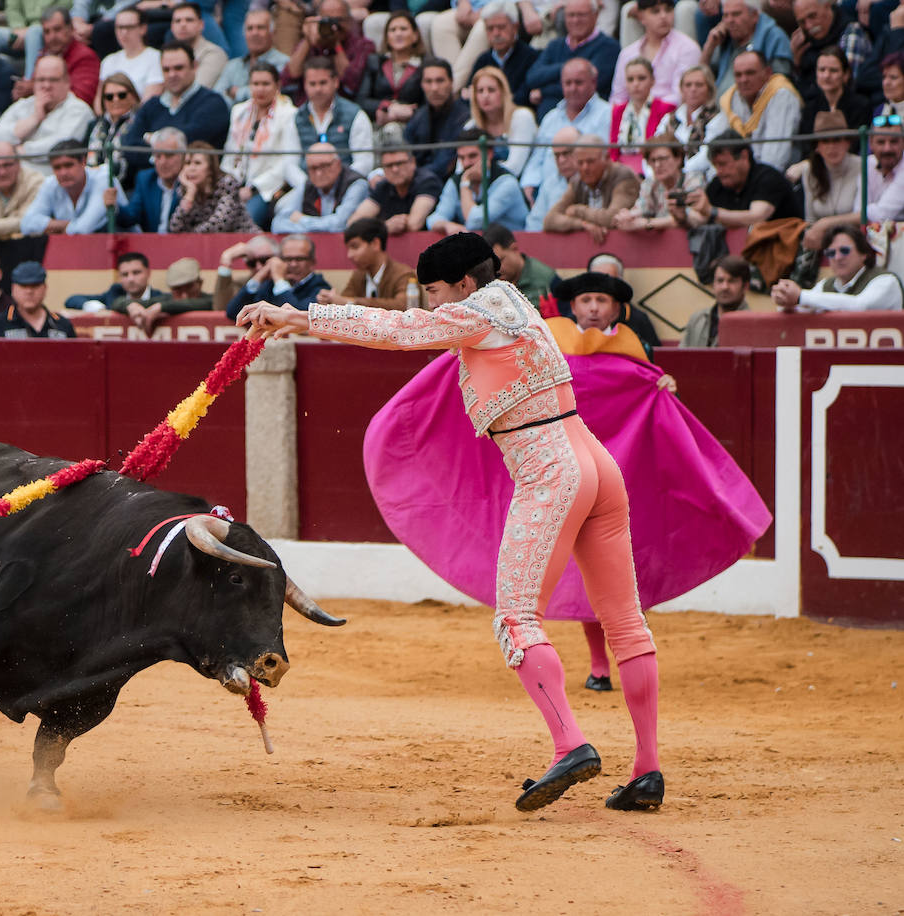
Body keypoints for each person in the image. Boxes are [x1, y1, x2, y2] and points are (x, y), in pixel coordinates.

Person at [239, 232, 666, 813]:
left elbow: (396, 331)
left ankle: (570, 743)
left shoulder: (477, 311)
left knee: (516, 619)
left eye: (436, 291)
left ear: (465, 283)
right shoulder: (515, 302)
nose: (433, 304)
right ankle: (647, 769)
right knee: (625, 620)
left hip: (552, 469)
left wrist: (296, 315)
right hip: (595, 461)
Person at [121, 43, 231, 178]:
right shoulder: (152, 105)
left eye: (179, 68)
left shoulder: (213, 104)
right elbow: (130, 146)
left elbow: (188, 139)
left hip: (198, 188)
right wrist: (165, 155)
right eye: (166, 70)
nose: (172, 74)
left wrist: (152, 139)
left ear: (194, 66)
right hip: (151, 186)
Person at [519, 58, 612, 205]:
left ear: (593, 83)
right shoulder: (551, 118)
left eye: (579, 82)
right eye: (568, 83)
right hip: (547, 197)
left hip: (591, 196)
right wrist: (528, 185)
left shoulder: (608, 114)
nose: (573, 88)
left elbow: (609, 160)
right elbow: (536, 159)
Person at [221, 62, 301, 229]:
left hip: (266, 187)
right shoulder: (239, 111)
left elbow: (287, 161)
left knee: (245, 220)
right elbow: (230, 152)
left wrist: (254, 188)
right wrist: (226, 183)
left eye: (266, 84)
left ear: (277, 85)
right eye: (256, 84)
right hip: (234, 183)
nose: (260, 89)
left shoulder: (289, 114)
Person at [0, 55, 95, 177]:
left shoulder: (78, 110)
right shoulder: (23, 105)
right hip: (12, 182)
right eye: (41, 80)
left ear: (67, 82)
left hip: (51, 182)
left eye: (53, 80)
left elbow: (59, 148)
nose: (46, 85)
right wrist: (34, 119)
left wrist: (19, 151)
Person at [676, 129, 802, 227]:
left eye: (723, 164)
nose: (719, 171)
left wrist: (712, 212)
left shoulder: (768, 178)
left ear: (743, 156)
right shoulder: (719, 183)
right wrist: (682, 217)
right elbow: (701, 218)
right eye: (715, 166)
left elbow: (756, 217)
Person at [771, 225, 904, 312]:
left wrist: (800, 296)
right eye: (831, 253)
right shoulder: (825, 285)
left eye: (845, 251)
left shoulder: (885, 280)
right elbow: (801, 307)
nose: (838, 257)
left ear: (864, 253)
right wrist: (785, 299)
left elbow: (860, 306)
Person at [524, 0, 621, 119]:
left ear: (595, 16)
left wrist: (543, 92)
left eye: (581, 15)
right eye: (571, 15)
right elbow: (532, 77)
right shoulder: (555, 46)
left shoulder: (609, 47)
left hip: (589, 122)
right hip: (549, 123)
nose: (575, 20)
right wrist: (569, 67)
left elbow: (589, 87)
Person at [427, 127, 529, 233]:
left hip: (514, 246)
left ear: (489, 154)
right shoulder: (455, 180)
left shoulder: (507, 182)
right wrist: (446, 225)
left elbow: (475, 222)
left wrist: (465, 183)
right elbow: (433, 219)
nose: (466, 163)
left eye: (472, 156)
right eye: (462, 158)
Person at [543, 137, 641, 243]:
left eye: (590, 161)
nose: (585, 168)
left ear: (607, 158)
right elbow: (549, 220)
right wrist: (583, 224)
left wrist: (578, 210)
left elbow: (612, 218)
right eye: (580, 163)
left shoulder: (623, 176)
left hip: (628, 244)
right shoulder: (577, 181)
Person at [553, 268, 667, 358]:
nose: (594, 308)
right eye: (586, 300)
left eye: (601, 300)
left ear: (615, 308)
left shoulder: (635, 347)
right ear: (573, 307)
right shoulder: (554, 345)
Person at [293, 56, 374, 177]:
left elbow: (364, 162)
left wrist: (339, 183)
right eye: (312, 84)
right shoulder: (296, 117)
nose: (318, 89)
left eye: (323, 82)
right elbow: (290, 164)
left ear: (335, 82)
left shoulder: (355, 115)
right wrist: (310, 186)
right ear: (305, 85)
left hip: (348, 184)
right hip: (307, 186)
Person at [795, 110, 862, 253]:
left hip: (855, 244)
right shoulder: (809, 171)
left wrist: (825, 224)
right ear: (817, 147)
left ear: (847, 143)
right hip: (823, 247)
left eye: (837, 140)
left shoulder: (862, 167)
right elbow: (810, 219)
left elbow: (863, 216)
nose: (832, 147)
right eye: (825, 141)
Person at [612, 0, 701, 107]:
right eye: (655, 11)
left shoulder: (688, 48)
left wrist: (646, 111)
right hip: (633, 118)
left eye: (668, 10)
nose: (663, 16)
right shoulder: (627, 54)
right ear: (641, 17)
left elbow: (681, 96)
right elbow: (618, 99)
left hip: (671, 118)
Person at [281, 0, 374, 102]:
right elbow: (289, 77)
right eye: (327, 20)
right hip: (307, 107)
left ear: (349, 20)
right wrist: (307, 40)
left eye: (338, 20)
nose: (334, 26)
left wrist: (335, 44)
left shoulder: (362, 45)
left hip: (342, 108)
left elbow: (351, 84)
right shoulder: (310, 43)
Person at [315, 216, 415, 310]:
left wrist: (351, 303)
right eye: (348, 249)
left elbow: (404, 306)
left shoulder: (403, 274)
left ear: (375, 244)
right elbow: (344, 301)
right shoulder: (358, 275)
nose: (349, 255)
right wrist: (330, 302)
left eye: (355, 247)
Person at [20, 140, 118, 235]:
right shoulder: (50, 183)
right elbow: (26, 224)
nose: (63, 173)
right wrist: (65, 225)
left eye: (68, 165)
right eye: (57, 167)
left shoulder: (103, 178)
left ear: (83, 162)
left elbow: (83, 229)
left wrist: (53, 228)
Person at [355, 10, 425, 143]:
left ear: (415, 35)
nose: (398, 33)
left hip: (412, 127)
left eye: (403, 29)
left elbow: (428, 104)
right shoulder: (375, 62)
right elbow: (361, 100)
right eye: (393, 30)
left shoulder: (424, 66)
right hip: (378, 124)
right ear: (387, 37)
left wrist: (408, 113)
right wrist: (388, 107)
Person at [223, 233, 331, 318]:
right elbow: (233, 312)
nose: (293, 264)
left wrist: (279, 280)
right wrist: (259, 276)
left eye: (299, 259)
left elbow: (296, 315)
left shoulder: (320, 287)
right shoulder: (269, 285)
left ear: (312, 263)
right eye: (287, 259)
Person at [271, 140, 368, 233]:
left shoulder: (356, 184)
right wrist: (319, 227)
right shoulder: (307, 185)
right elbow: (278, 224)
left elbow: (339, 225)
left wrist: (302, 220)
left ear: (338, 163)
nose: (318, 173)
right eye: (313, 168)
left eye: (324, 166)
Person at [613, 132, 703, 231]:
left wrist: (647, 224)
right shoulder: (650, 183)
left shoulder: (693, 179)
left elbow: (696, 218)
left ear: (678, 159)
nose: (657, 165)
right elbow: (640, 210)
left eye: (663, 159)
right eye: (653, 160)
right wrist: (627, 216)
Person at [701, 0, 793, 93]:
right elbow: (700, 80)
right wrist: (709, 46)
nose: (730, 21)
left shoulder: (774, 37)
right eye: (725, 15)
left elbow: (781, 83)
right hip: (721, 104)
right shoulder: (724, 38)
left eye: (736, 14)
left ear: (754, 15)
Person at [403, 58, 470, 182]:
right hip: (414, 181)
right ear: (422, 85)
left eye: (440, 81)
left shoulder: (464, 117)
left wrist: (409, 175)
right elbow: (404, 153)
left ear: (451, 82)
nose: (434, 88)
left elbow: (444, 165)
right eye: (428, 81)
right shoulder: (418, 117)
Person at [653, 63, 726, 177]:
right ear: (681, 89)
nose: (693, 89)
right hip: (666, 177)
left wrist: (678, 171)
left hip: (701, 177)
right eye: (688, 85)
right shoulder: (670, 118)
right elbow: (654, 147)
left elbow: (706, 156)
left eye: (699, 85)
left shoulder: (717, 118)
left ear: (709, 89)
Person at [788, 0, 872, 99]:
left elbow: (844, 87)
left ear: (827, 6)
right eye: (802, 22)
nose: (809, 26)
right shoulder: (802, 44)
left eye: (812, 16)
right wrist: (796, 64)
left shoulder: (851, 33)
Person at [168, 142, 258, 233]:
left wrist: (190, 235)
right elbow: (175, 227)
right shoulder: (186, 190)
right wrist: (190, 195)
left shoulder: (227, 184)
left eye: (197, 163)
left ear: (210, 168)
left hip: (243, 240)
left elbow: (220, 223)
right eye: (187, 163)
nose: (191, 168)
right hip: (204, 243)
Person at [349, 145, 440, 234]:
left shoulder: (427, 181)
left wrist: (376, 229)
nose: (395, 169)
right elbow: (353, 224)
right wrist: (384, 227)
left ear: (412, 162)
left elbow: (414, 224)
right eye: (389, 165)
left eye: (399, 163)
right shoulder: (383, 186)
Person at [465, 65, 536, 176]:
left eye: (491, 90)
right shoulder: (471, 126)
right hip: (479, 186)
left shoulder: (522, 117)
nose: (485, 95)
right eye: (480, 91)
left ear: (503, 92)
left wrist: (479, 173)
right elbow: (461, 169)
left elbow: (515, 167)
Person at [467, 1, 540, 110]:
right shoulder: (483, 60)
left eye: (501, 27)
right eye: (490, 28)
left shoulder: (531, 57)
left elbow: (523, 97)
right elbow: (468, 94)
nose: (496, 33)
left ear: (515, 27)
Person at [611, 57, 678, 174]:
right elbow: (613, 149)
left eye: (641, 78)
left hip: (652, 167)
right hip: (620, 170)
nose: (635, 84)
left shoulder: (666, 108)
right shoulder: (617, 110)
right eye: (630, 80)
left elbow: (663, 147)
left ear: (652, 80)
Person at [796, 45, 872, 145]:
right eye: (822, 70)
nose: (826, 76)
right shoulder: (809, 108)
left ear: (846, 74)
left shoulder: (861, 105)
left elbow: (858, 144)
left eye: (833, 70)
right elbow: (806, 145)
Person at [213, 8, 290, 105]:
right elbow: (216, 97)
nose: (254, 33)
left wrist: (236, 93)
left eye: (260, 27)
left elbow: (274, 93)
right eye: (250, 28)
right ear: (244, 34)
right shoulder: (233, 65)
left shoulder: (284, 62)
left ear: (272, 33)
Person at [0, 260, 77, 338]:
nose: (29, 291)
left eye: (35, 286)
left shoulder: (62, 325)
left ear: (45, 288)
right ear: (13, 289)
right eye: (23, 286)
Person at [98, 7, 163, 105]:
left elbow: (149, 101)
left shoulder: (156, 57)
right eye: (120, 27)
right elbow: (99, 101)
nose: (124, 32)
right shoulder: (108, 60)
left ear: (143, 28)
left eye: (129, 27)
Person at [482, 223, 558, 307]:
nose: (496, 269)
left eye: (500, 261)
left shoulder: (547, 279)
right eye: (491, 265)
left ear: (514, 249)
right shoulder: (489, 283)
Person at [85, 73, 139, 189]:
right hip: (93, 186)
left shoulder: (140, 124)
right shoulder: (94, 125)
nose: (115, 100)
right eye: (109, 96)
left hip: (127, 188)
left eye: (122, 95)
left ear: (133, 96)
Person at [681, 254, 750, 345]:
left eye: (732, 281)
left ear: (745, 286)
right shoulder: (697, 320)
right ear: (713, 284)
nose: (725, 287)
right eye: (720, 280)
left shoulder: (752, 324)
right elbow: (681, 357)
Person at [525, 124, 581, 230]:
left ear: (580, 151)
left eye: (566, 153)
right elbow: (534, 225)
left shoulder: (593, 179)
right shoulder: (550, 184)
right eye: (557, 155)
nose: (561, 160)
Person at [167, 2, 227, 89]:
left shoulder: (215, 53)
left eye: (189, 20)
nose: (183, 25)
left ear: (201, 24)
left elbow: (196, 90)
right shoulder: (167, 54)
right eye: (177, 21)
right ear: (172, 27)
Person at [866, 113, 904, 223]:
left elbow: (881, 214)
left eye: (894, 141)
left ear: (903, 142)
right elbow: (859, 209)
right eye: (881, 142)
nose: (887, 149)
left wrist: (826, 223)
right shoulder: (868, 163)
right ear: (871, 144)